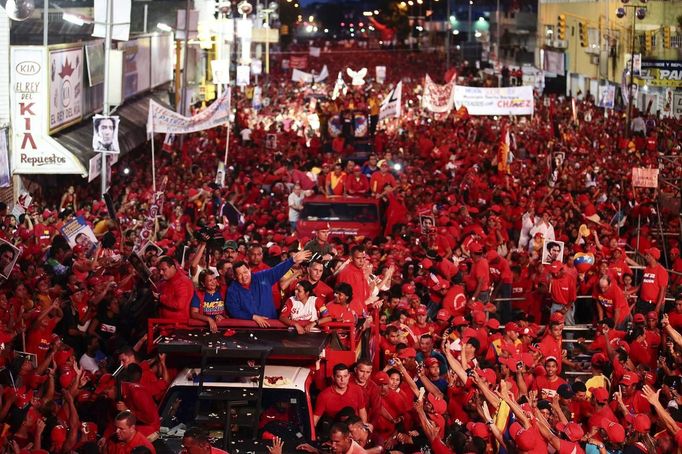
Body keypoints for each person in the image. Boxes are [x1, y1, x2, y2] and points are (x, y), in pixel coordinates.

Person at [226, 249, 312, 327]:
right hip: (248, 329)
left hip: (271, 326)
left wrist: (292, 260)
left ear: (249, 270)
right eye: (239, 274)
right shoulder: (232, 290)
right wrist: (253, 317)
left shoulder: (263, 277)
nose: (244, 276)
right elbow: (233, 310)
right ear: (235, 276)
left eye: (245, 272)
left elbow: (277, 270)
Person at [313, 363, 367, 429]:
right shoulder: (324, 396)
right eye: (339, 376)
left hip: (353, 429)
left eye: (345, 376)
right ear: (333, 377)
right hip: (335, 430)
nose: (342, 380)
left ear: (349, 376)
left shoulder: (357, 390)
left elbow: (362, 411)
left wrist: (364, 429)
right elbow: (315, 418)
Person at [157, 256, 194, 320]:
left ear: (173, 268)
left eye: (164, 269)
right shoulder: (166, 281)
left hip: (178, 325)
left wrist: (160, 297)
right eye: (159, 270)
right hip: (166, 324)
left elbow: (179, 304)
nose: (161, 273)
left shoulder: (182, 282)